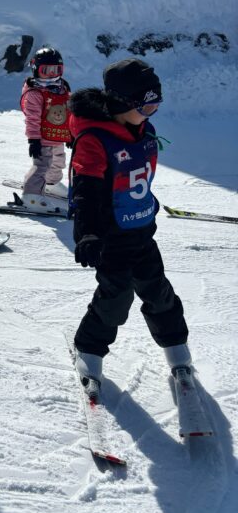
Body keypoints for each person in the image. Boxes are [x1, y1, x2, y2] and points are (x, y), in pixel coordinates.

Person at [68, 58, 192, 386]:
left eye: (157, 104)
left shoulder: (143, 129)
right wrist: (88, 233)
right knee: (116, 297)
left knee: (159, 292)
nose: (153, 112)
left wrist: (146, 203)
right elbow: (86, 191)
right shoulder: (94, 139)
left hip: (142, 231)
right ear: (122, 103)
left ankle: (177, 348)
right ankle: (88, 349)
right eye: (147, 106)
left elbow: (138, 176)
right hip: (111, 238)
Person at [20, 47, 71, 209]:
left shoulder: (62, 87)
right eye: (46, 70)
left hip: (57, 135)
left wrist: (71, 133)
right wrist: (33, 140)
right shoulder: (35, 93)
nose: (52, 74)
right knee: (42, 165)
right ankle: (31, 196)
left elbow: (68, 112)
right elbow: (32, 118)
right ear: (36, 69)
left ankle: (51, 183)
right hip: (42, 138)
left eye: (56, 70)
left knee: (58, 162)